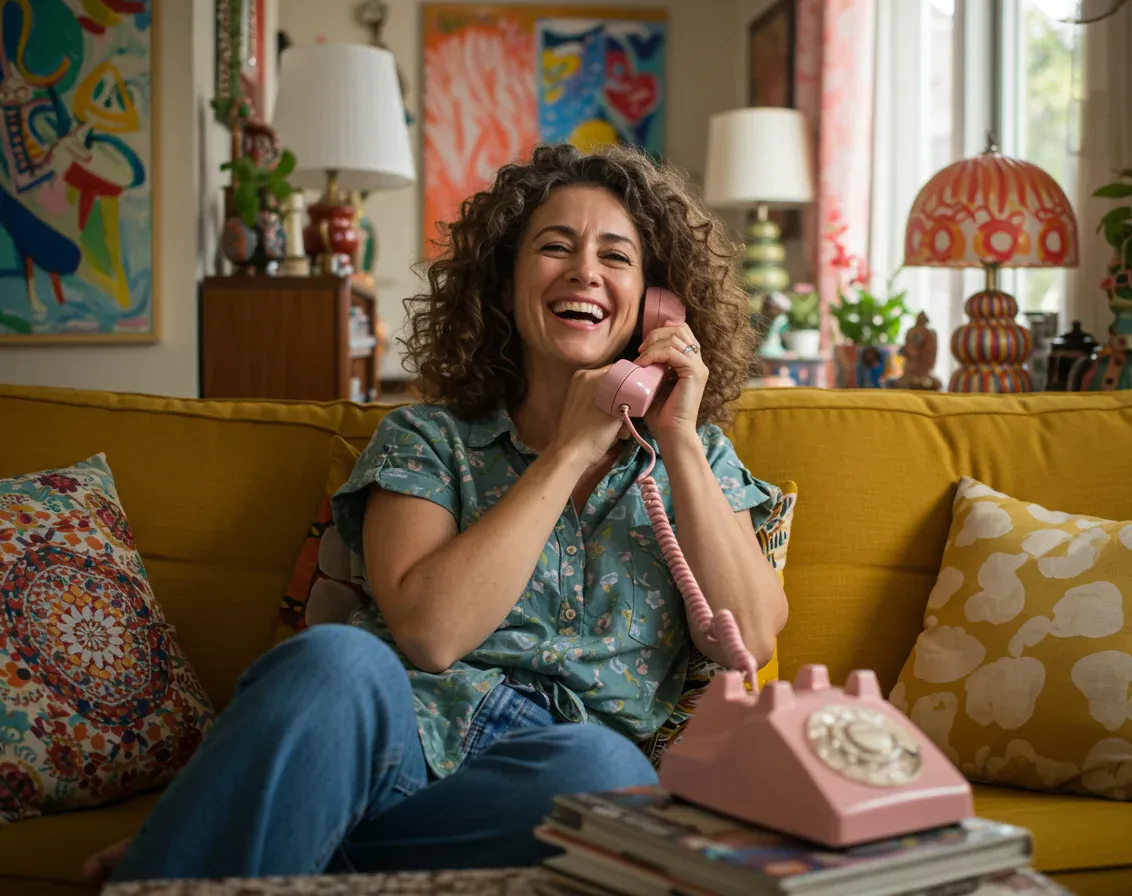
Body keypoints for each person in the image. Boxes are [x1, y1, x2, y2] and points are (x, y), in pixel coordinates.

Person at [93, 142, 788, 884]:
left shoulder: (696, 459)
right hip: (390, 743)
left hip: (536, 786)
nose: (585, 270)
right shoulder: (426, 439)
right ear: (505, 280)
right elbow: (429, 635)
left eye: (616, 256)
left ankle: (237, 841)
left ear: (657, 303)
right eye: (555, 246)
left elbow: (749, 633)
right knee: (338, 660)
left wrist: (676, 438)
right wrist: (567, 453)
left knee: (601, 769)